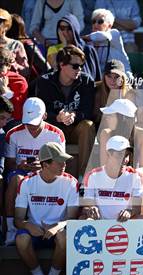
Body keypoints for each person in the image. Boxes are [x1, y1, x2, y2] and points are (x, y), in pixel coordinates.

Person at [14, 142, 79, 275]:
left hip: (58, 231)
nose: (64, 164)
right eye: (59, 161)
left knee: (64, 236)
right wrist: (29, 226)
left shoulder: (71, 182)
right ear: (45, 164)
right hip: (35, 232)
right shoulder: (27, 182)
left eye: (64, 160)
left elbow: (72, 218)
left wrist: (56, 227)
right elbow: (18, 219)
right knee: (21, 239)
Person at [4, 97, 65, 246]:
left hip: (47, 174)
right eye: (28, 122)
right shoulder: (13, 134)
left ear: (44, 116)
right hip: (21, 174)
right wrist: (21, 166)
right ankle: (11, 229)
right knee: (15, 179)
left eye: (35, 122)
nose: (31, 126)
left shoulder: (56, 134)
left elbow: (61, 165)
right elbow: (9, 165)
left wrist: (45, 167)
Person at [29, 45, 96, 181]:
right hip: (55, 127)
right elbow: (42, 112)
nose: (79, 69)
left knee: (88, 125)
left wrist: (74, 115)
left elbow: (88, 112)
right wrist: (57, 118)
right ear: (62, 64)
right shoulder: (45, 82)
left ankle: (85, 177)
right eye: (75, 66)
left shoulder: (86, 81)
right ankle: (49, 175)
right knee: (46, 126)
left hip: (76, 129)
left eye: (81, 66)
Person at [82, 135, 143, 221]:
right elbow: (86, 206)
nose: (125, 159)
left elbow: (137, 208)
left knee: (140, 218)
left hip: (125, 223)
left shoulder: (136, 176)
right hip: (99, 222)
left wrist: (129, 212)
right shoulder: (93, 175)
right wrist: (91, 209)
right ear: (109, 153)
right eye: (120, 154)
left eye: (127, 155)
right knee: (83, 219)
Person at [98, 98, 143, 175]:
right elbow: (104, 166)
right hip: (111, 178)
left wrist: (129, 175)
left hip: (135, 178)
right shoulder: (105, 133)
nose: (106, 118)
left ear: (122, 119)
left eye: (111, 115)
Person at [46, 14, 101, 81]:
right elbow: (57, 71)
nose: (65, 32)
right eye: (62, 28)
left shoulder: (87, 49)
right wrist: (65, 45)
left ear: (75, 29)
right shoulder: (53, 49)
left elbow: (91, 76)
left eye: (69, 28)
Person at [83, 8, 132, 77]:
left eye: (100, 21)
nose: (96, 24)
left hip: (123, 77)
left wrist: (83, 38)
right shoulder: (90, 42)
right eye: (94, 21)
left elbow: (104, 36)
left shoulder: (114, 33)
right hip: (103, 80)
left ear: (109, 25)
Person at [6, 13, 50, 81]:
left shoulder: (27, 45)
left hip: (29, 84)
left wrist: (36, 84)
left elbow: (46, 67)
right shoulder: (6, 44)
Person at [93, 59, 134, 126]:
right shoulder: (96, 90)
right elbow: (95, 117)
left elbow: (132, 118)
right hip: (101, 128)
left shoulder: (130, 93)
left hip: (123, 128)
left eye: (116, 77)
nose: (112, 80)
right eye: (109, 76)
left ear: (123, 78)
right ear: (104, 77)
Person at [0, 48, 28, 124]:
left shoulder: (19, 81)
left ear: (8, 66)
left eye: (0, 66)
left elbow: (18, 113)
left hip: (10, 121)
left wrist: (5, 91)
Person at [0, 8, 30, 78]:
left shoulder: (16, 44)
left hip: (9, 84)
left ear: (6, 26)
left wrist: (13, 64)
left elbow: (26, 71)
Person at [0, 97, 13, 235]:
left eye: (6, 119)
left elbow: (1, 165)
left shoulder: (2, 134)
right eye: (1, 118)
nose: (4, 123)